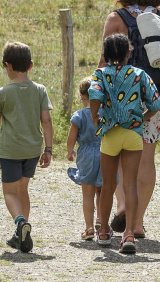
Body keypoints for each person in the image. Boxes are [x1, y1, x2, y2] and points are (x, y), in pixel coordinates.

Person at [100, 0, 160, 238]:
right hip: (157, 97)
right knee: (147, 159)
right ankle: (138, 223)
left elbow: (104, 63)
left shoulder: (117, 19)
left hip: (123, 98)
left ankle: (123, 206)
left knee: (122, 156)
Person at [89, 33, 160, 254]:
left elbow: (94, 95)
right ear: (129, 53)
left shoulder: (100, 74)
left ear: (105, 54)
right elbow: (156, 103)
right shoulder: (140, 74)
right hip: (133, 134)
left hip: (110, 134)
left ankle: (103, 232)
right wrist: (143, 117)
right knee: (130, 184)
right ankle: (128, 234)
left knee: (108, 186)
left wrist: (95, 117)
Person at [0, 41, 54, 253]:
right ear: (31, 65)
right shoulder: (40, 90)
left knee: (9, 192)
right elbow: (46, 121)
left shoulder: (3, 92)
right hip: (32, 150)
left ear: (7, 65)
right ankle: (20, 236)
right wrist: (49, 149)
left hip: (11, 150)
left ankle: (19, 222)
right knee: (23, 189)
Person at [66, 76, 103, 241]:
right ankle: (101, 222)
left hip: (86, 154)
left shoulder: (79, 115)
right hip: (105, 152)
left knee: (87, 193)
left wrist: (70, 151)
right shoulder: (104, 113)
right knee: (102, 190)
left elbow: (71, 137)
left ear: (82, 95)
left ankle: (89, 228)